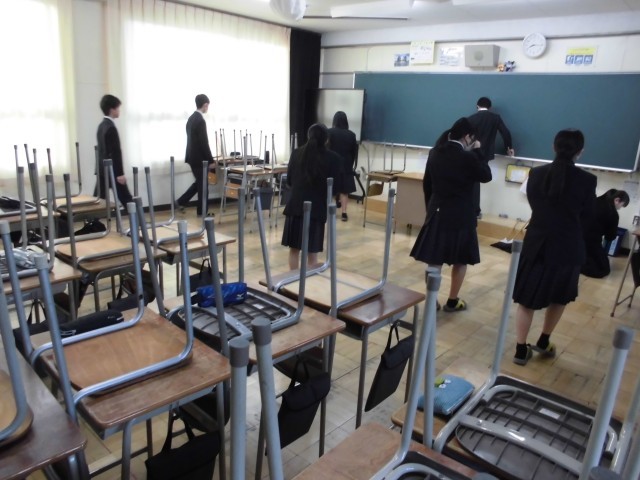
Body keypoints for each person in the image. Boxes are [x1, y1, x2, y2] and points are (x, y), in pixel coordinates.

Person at [512, 129, 597, 366]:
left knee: (526, 300)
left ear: (553, 146)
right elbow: (588, 216)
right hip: (568, 246)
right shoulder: (587, 180)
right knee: (560, 297)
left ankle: (520, 349)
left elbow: (534, 204)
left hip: (536, 243)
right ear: (580, 152)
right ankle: (544, 340)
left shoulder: (536, 174)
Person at [410, 117, 491, 312]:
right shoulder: (468, 157)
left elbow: (427, 184)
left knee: (434, 260)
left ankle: (432, 300)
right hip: (461, 215)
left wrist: (430, 209)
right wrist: (478, 151)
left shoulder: (435, 152)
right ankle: (453, 301)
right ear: (467, 137)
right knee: (460, 260)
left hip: (437, 212)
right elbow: (486, 175)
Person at [282, 123, 341, 270]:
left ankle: (293, 280)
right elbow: (335, 188)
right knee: (312, 253)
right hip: (316, 209)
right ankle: (309, 281)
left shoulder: (296, 153)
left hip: (295, 206)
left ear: (308, 136)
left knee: (294, 249)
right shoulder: (333, 158)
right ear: (326, 139)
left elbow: (289, 182)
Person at [467, 96, 515, 218]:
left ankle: (473, 211)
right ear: (490, 107)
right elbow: (505, 132)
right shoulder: (495, 118)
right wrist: (509, 147)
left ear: (477, 106)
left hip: (471, 153)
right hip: (485, 154)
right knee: (476, 180)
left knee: (472, 181)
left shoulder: (471, 118)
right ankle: (475, 211)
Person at [177, 94, 215, 216]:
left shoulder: (191, 119)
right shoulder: (200, 121)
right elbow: (204, 143)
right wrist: (211, 160)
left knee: (199, 183)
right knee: (203, 186)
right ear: (205, 105)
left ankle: (180, 201)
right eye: (208, 105)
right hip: (199, 159)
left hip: (191, 157)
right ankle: (202, 212)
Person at [581, 189, 629, 278]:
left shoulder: (594, 201)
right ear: (617, 200)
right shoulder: (613, 214)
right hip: (591, 241)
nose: (619, 208)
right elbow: (610, 237)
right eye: (621, 206)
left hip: (575, 236)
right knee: (603, 269)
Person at [95, 94, 133, 207]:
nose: (119, 111)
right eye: (118, 108)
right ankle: (137, 217)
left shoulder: (101, 126)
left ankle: (91, 218)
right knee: (126, 198)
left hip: (102, 169)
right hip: (113, 170)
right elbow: (115, 152)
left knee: (98, 199)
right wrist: (120, 174)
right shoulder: (111, 127)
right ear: (112, 109)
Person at [328, 111, 358, 221]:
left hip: (332, 165)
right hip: (346, 165)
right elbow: (354, 152)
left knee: (330, 189)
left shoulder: (329, 132)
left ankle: (329, 211)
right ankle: (344, 213)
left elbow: (327, 149)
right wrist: (351, 165)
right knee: (344, 191)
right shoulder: (352, 135)